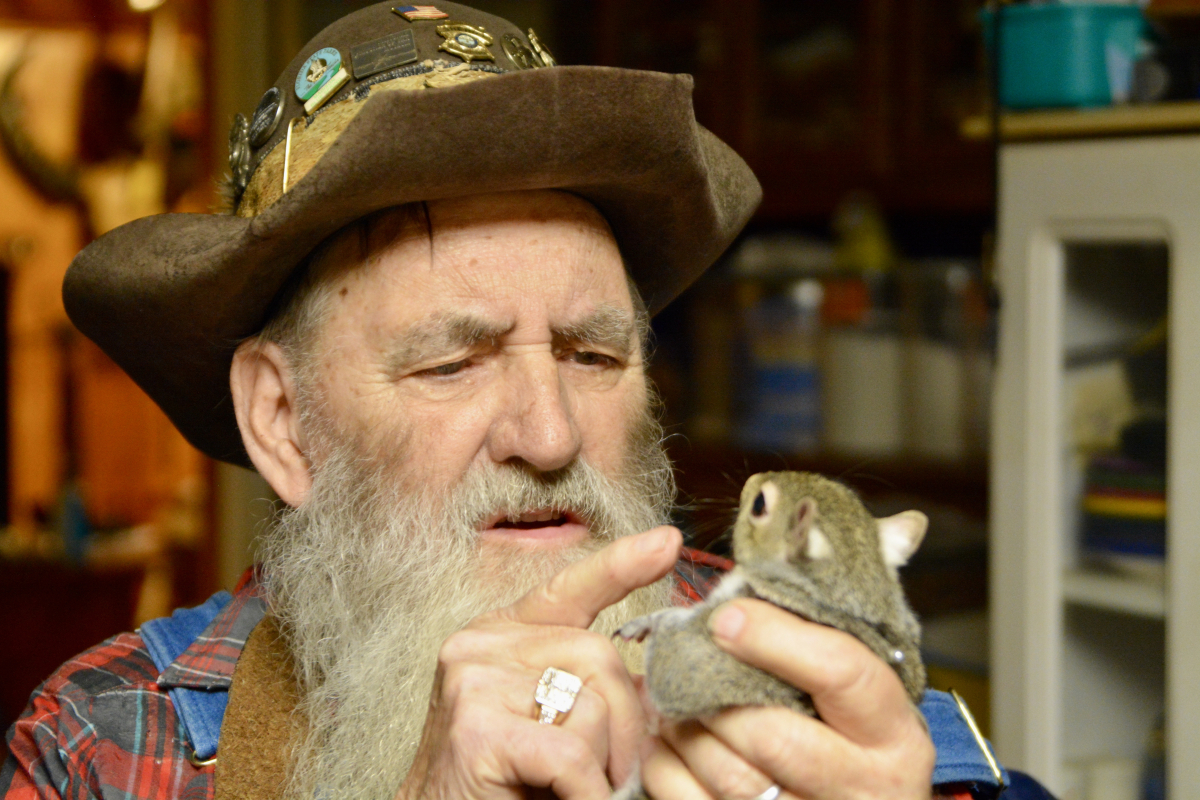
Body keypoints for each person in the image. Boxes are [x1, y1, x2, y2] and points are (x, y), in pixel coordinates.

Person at [2, 4, 1048, 799]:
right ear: (282, 421)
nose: (549, 435)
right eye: (452, 363)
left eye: (594, 354)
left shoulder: (813, 665)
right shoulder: (104, 742)